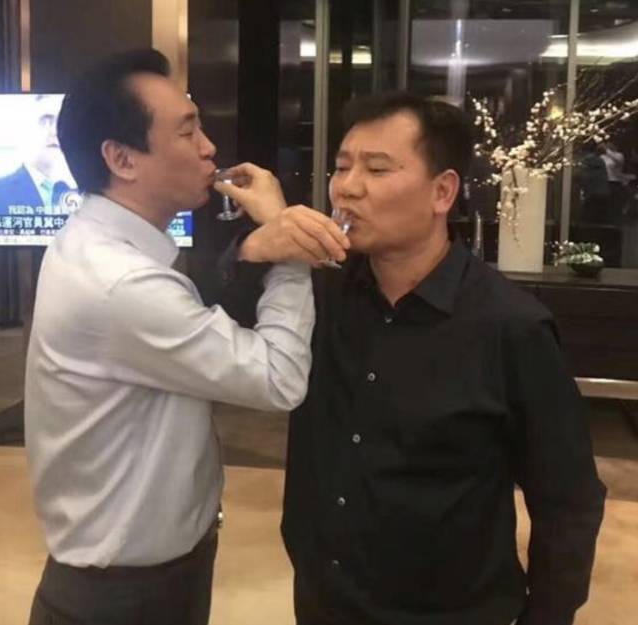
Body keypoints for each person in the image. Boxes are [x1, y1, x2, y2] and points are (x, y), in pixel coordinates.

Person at [219, 92, 607, 625]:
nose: (347, 187)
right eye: (342, 167)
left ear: (442, 191)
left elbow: (568, 499)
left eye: (377, 169)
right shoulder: (321, 294)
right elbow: (220, 329)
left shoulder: (511, 325)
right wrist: (254, 248)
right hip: (324, 599)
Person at [24, 48, 349, 625]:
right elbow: (278, 379)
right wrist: (288, 250)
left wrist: (257, 247)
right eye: (188, 131)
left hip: (135, 571)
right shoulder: (122, 283)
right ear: (122, 158)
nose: (208, 148)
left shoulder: (98, 243)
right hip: (123, 596)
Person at [0, 95, 76, 214]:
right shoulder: (1, 191)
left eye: (61, 122)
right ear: (25, 129)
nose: (55, 131)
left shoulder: (79, 193)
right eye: (46, 121)